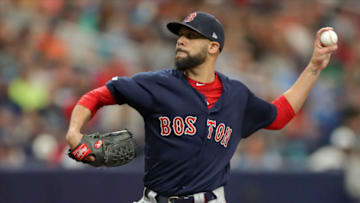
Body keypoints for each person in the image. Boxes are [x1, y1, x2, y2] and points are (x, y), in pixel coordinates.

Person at [65, 11, 337, 203]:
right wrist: (75, 131)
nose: (180, 40)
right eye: (180, 35)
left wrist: (313, 67)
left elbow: (279, 116)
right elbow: (98, 96)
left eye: (191, 36)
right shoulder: (157, 84)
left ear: (213, 47)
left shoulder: (237, 96)